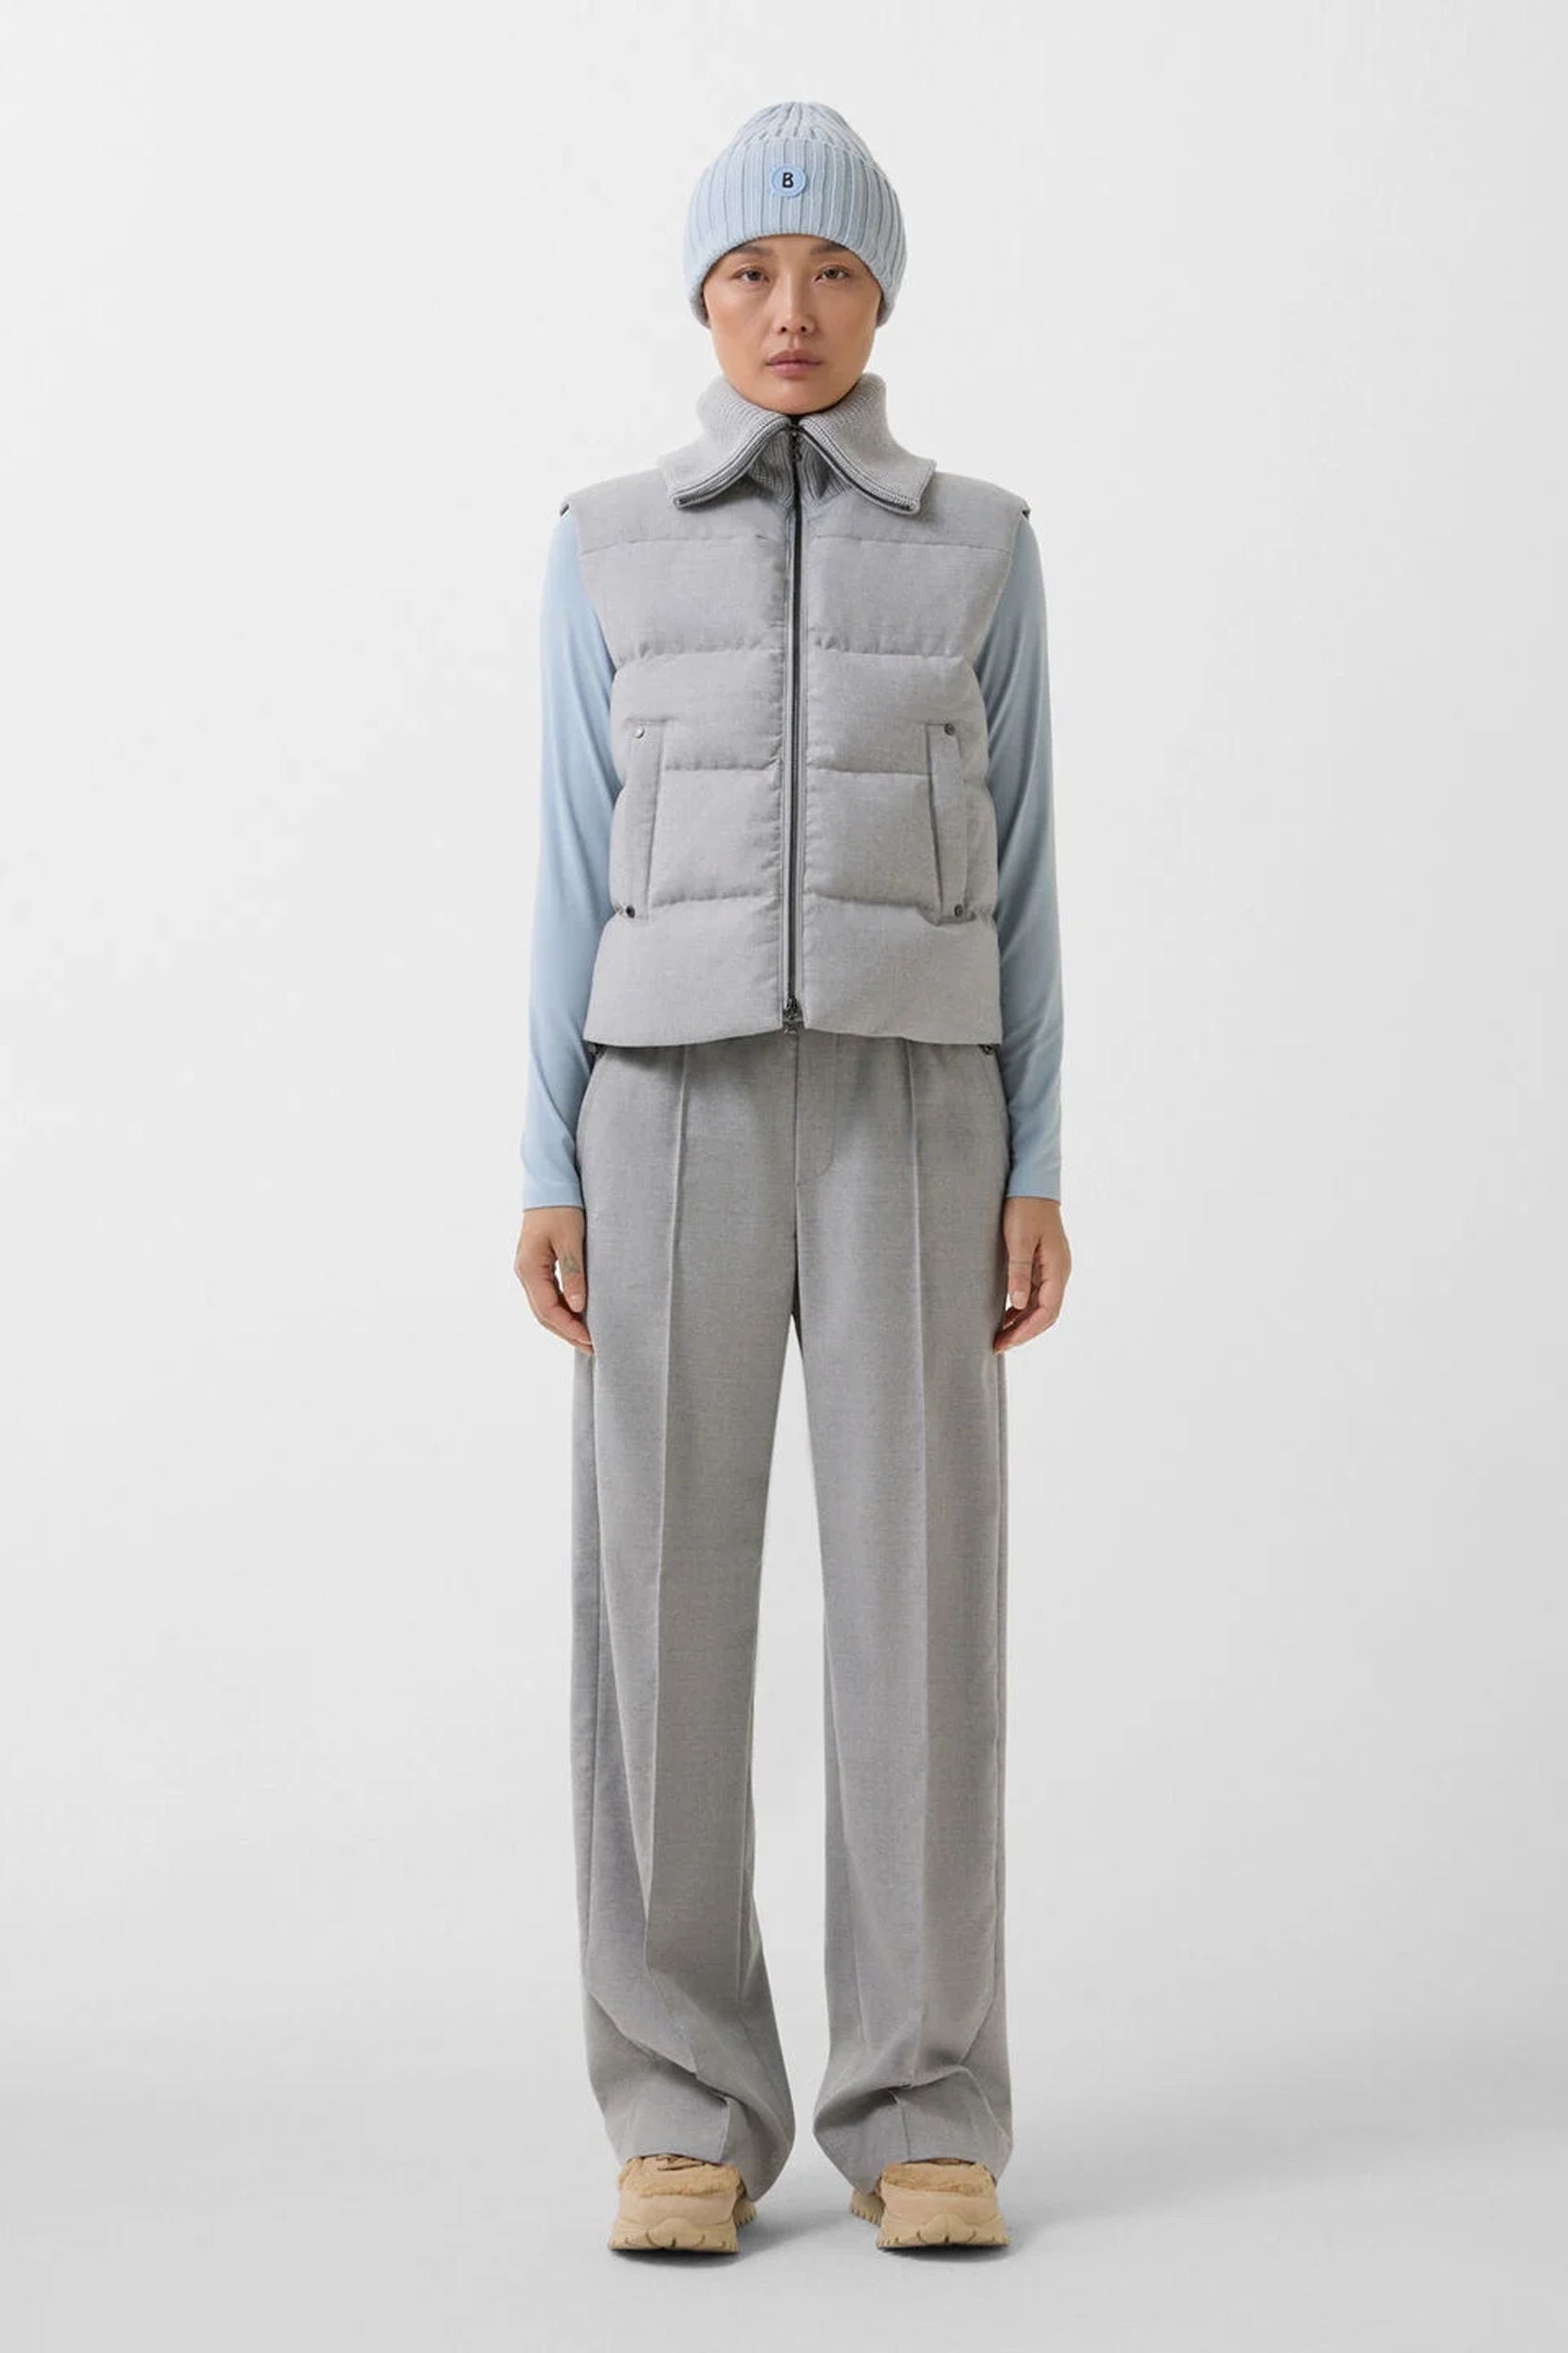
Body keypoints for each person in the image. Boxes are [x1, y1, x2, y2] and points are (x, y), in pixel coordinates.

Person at [514, 101, 1070, 2256]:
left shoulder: (983, 545)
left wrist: (1036, 1152)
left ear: (880, 293)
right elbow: (567, 859)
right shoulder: (602, 542)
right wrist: (543, 1154)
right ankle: (680, 2102)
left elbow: (1029, 870)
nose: (789, 309)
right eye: (750, 271)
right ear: (700, 293)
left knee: (920, 1600)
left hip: (918, 1100)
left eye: (830, 270)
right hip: (659, 1100)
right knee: (656, 1599)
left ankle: (923, 2101)